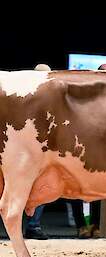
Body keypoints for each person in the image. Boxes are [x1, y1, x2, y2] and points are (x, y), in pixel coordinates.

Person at [24, 63, 52, 240]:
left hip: (38, 147)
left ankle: (33, 225)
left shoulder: (49, 96)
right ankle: (32, 226)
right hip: (21, 146)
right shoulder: (23, 93)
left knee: (39, 186)